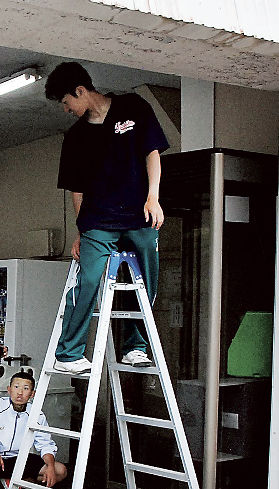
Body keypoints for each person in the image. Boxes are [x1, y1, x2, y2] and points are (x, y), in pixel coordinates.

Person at [45, 62, 169, 375]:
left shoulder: (133, 106)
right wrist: (81, 230)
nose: (66, 109)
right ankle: (69, 353)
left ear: (80, 90)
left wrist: (153, 197)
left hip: (138, 215)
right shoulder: (75, 137)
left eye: (66, 101)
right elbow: (77, 190)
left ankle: (135, 347)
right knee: (87, 280)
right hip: (97, 221)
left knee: (146, 280)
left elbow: (152, 153)